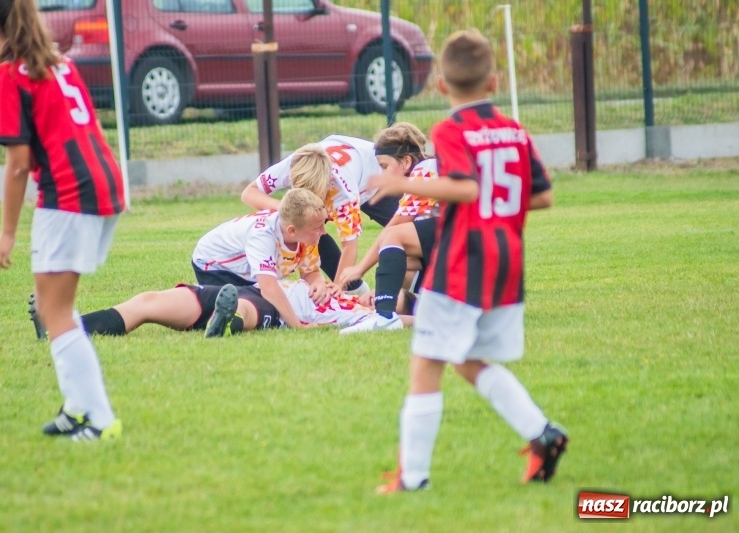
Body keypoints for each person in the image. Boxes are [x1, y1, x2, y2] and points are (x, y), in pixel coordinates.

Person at [366, 29, 567, 493]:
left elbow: (466, 187)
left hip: (462, 262)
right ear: (493, 82)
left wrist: (404, 186)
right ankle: (543, 434)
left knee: (426, 364)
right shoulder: (515, 131)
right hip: (506, 261)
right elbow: (543, 196)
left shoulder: (452, 130)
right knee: (468, 360)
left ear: (441, 86)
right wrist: (498, 208)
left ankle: (412, 480)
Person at [0, 0, 126, 441]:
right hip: (106, 183)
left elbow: (18, 164)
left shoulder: (8, 75)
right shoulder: (59, 63)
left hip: (69, 193)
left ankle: (98, 420)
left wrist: (6, 233)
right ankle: (76, 408)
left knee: (53, 310)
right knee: (55, 302)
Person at [239, 137, 401, 294]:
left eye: (316, 197)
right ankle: (356, 290)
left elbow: (350, 247)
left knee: (405, 232)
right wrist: (287, 210)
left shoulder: (343, 194)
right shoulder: (292, 166)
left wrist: (338, 287)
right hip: (347, 167)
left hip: (374, 180)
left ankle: (405, 292)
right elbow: (249, 193)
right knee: (308, 228)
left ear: (328, 184)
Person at [337, 122, 441, 333]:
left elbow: (393, 229)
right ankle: (424, 309)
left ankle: (384, 317)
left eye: (384, 166)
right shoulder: (428, 170)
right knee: (401, 260)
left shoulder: (424, 172)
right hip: (470, 250)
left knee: (393, 238)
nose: (383, 174)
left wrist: (359, 269)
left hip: (470, 244)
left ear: (405, 162)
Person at [60, 280, 417, 338]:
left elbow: (406, 319)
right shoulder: (349, 288)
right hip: (256, 287)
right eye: (380, 296)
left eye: (388, 303)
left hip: (272, 309)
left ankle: (225, 321)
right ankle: (64, 327)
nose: (377, 300)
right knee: (148, 302)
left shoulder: (365, 318)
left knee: (244, 309)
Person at [191, 188, 331, 329]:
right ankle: (208, 311)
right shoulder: (263, 236)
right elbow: (269, 288)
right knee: (264, 306)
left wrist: (318, 283)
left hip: (242, 269)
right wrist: (297, 325)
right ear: (292, 231)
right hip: (214, 265)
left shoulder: (306, 236)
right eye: (318, 227)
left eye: (323, 224)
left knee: (277, 301)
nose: (324, 232)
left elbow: (310, 271)